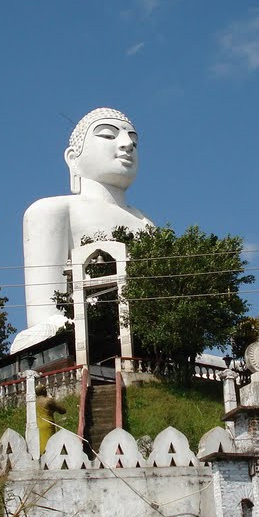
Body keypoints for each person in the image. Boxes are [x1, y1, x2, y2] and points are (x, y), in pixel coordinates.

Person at [10, 107, 153, 353]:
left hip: (141, 334)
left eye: (135, 141)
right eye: (108, 135)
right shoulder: (52, 210)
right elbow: (45, 316)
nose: (127, 144)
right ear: (73, 157)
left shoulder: (146, 225)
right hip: (79, 328)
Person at [35, 384, 66, 454]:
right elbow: (62, 411)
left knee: (42, 443)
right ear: (44, 391)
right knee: (50, 443)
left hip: (39, 425)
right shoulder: (48, 401)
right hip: (48, 424)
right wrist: (52, 399)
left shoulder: (36, 401)